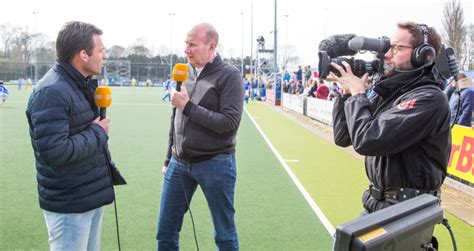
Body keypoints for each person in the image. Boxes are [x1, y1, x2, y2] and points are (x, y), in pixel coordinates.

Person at [330, 22, 450, 214]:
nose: (387, 54)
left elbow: (367, 140)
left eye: (397, 48)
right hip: (376, 203)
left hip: (406, 209)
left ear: (423, 55)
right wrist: (346, 93)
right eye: (389, 47)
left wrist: (358, 94)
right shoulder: (390, 92)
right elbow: (343, 137)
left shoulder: (429, 98)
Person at [25, 21, 115, 250]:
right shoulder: (52, 91)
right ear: (83, 54)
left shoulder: (79, 84)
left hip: (88, 196)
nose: (104, 56)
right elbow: (55, 152)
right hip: (70, 204)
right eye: (100, 50)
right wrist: (98, 132)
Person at [157, 23, 244, 250]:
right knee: (165, 232)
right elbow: (174, 118)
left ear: (211, 47)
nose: (186, 50)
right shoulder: (183, 73)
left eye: (192, 45)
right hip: (178, 164)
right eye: (186, 43)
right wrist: (168, 158)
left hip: (216, 163)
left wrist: (188, 107)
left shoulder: (229, 75)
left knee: (224, 235)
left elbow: (229, 124)